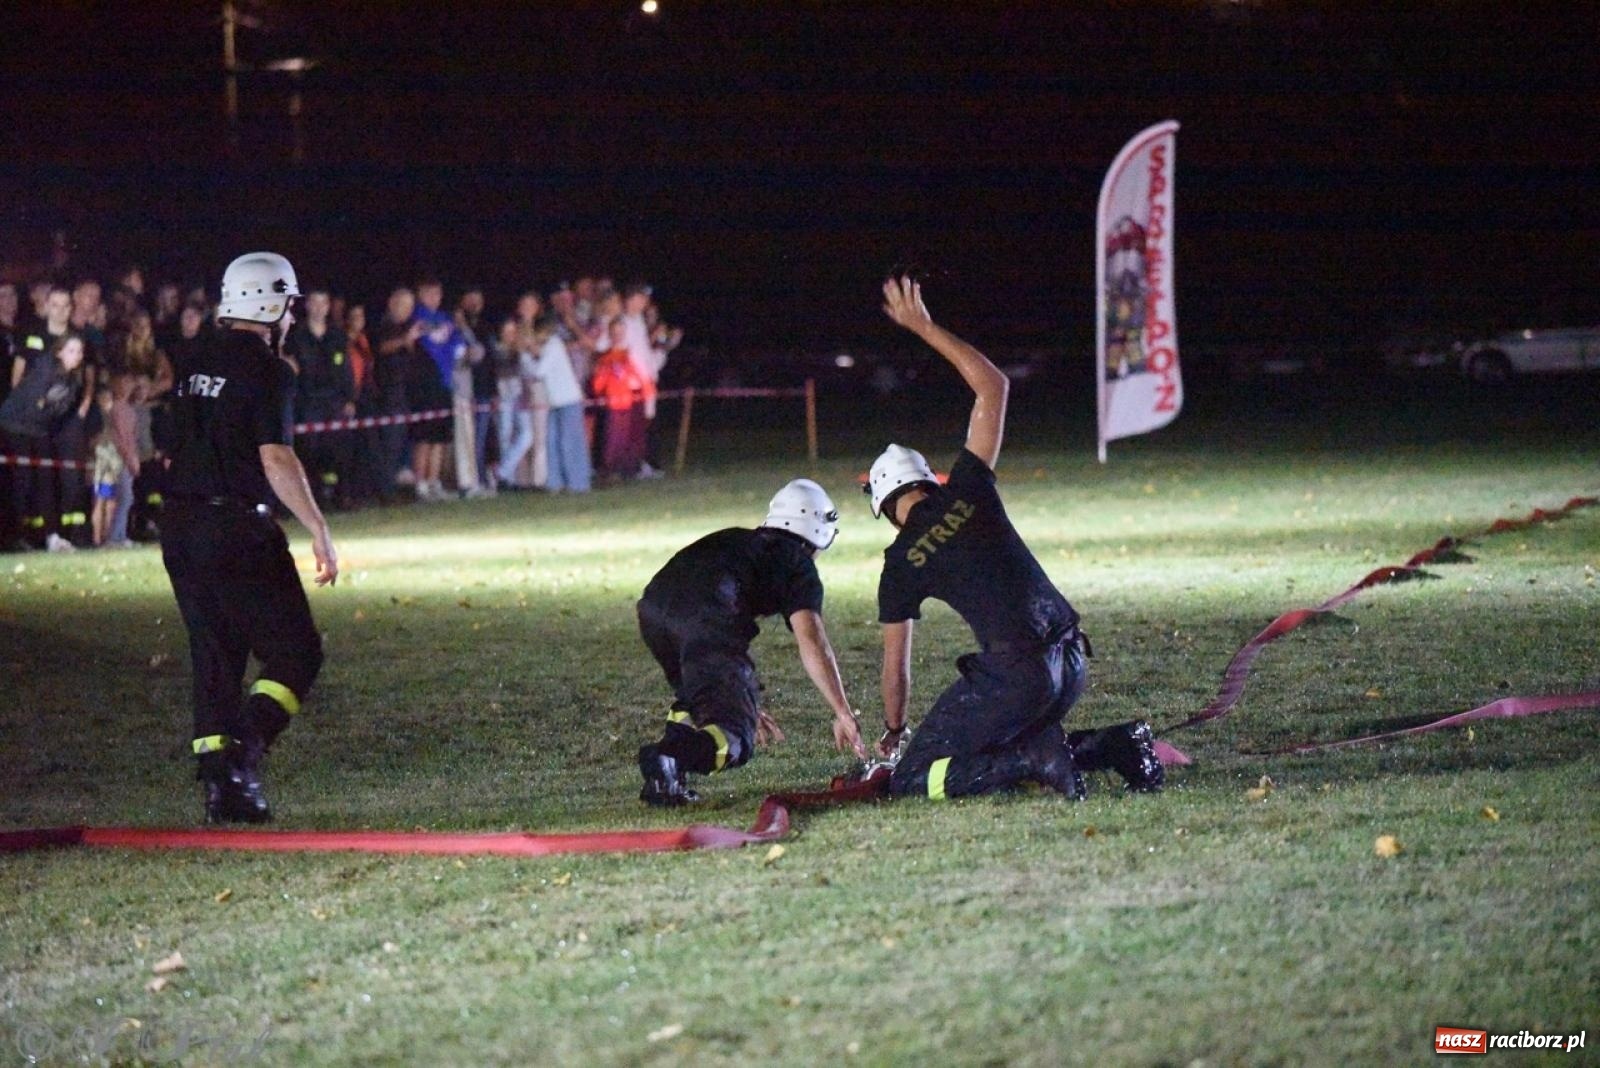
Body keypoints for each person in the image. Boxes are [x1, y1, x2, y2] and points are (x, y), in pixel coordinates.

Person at [867, 276, 1162, 802]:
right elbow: (993, 387)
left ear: (886, 510)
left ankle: (1037, 757)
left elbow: (896, 671)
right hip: (1071, 660)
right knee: (1001, 730)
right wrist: (924, 327)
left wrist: (893, 730)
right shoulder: (969, 487)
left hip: (1020, 677)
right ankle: (1112, 745)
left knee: (915, 778)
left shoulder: (900, 560)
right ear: (927, 478)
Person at [160, 251, 337, 823]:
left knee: (215, 656)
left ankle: (223, 789)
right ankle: (244, 750)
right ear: (270, 304)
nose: (291, 318)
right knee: (296, 651)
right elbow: (276, 456)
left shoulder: (189, 359)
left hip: (180, 528)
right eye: (288, 306)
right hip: (235, 527)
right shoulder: (270, 370)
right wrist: (318, 527)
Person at [636, 479, 863, 805]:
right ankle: (671, 758)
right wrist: (842, 711)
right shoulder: (797, 564)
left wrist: (742, 697)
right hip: (705, 618)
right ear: (817, 533)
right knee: (736, 736)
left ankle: (666, 782)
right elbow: (812, 641)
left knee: (699, 699)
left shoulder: (738, 539)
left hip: (653, 609)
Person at [0, 332, 90, 552]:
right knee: (23, 480)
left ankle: (52, 537)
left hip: (39, 430)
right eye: (71, 350)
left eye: (79, 352)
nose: (76, 355)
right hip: (14, 426)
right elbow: (33, 403)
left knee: (47, 481)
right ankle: (13, 537)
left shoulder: (73, 380)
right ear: (59, 352)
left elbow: (55, 412)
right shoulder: (46, 367)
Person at [284, 289, 356, 508]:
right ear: (307, 306)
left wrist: (350, 398)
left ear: (328, 306)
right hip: (308, 402)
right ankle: (315, 498)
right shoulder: (296, 336)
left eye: (323, 303)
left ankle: (339, 496)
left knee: (337, 451)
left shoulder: (337, 335)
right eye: (314, 302)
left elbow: (346, 369)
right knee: (309, 452)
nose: (318, 307)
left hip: (334, 402)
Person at [523, 314, 591, 493]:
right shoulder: (547, 346)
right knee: (551, 441)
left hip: (569, 400)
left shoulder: (554, 345)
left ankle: (578, 483)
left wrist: (526, 355)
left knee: (570, 442)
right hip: (554, 402)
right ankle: (555, 482)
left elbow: (539, 372)